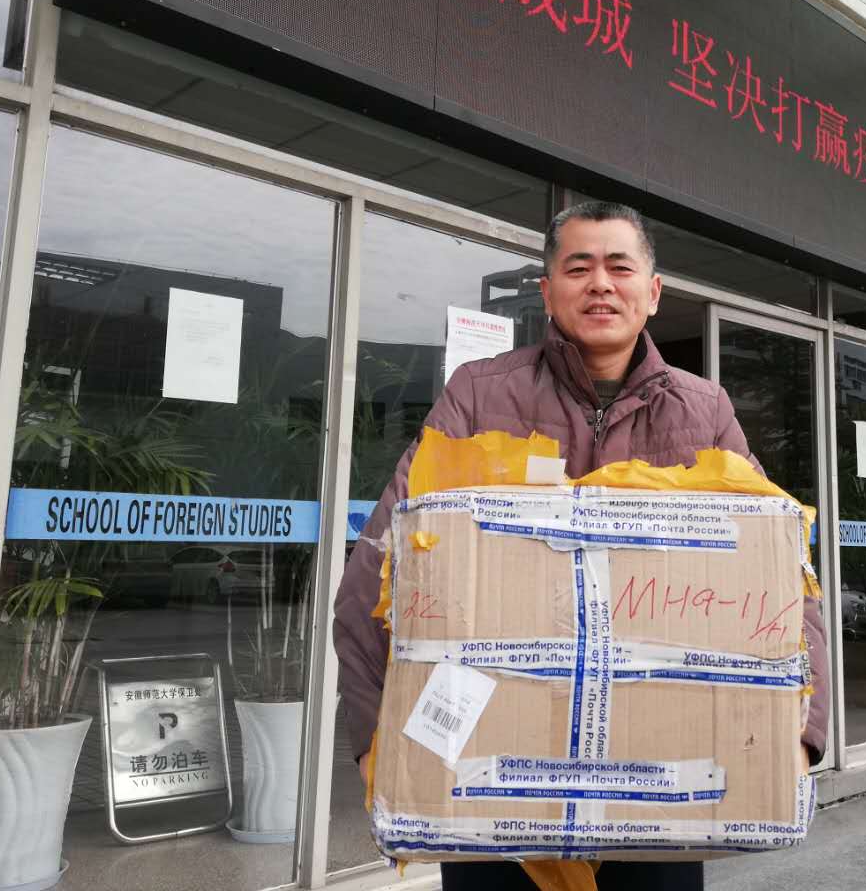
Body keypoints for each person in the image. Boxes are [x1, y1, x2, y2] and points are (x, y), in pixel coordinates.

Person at [333, 201, 830, 890]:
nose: (600, 284)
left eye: (619, 267)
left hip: (662, 794)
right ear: (547, 292)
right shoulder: (479, 395)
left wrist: (802, 736)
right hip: (496, 794)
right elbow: (380, 566)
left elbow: (781, 574)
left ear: (652, 292)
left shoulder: (703, 410)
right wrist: (373, 743)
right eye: (578, 268)